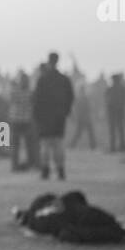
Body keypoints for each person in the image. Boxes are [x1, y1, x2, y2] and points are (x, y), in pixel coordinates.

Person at [32, 52, 74, 181]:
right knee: (59, 144)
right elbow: (70, 97)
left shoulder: (43, 79)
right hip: (59, 117)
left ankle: (45, 170)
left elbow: (36, 99)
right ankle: (60, 170)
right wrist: (66, 111)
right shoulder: (64, 79)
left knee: (45, 144)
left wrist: (37, 115)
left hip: (44, 117)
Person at [8, 71, 35, 170]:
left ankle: (14, 165)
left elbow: (10, 100)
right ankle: (29, 164)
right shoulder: (30, 92)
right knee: (28, 145)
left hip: (15, 120)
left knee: (15, 145)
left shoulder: (15, 92)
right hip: (27, 120)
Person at [106, 74, 125, 152]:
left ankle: (115, 147)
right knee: (119, 129)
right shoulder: (122, 89)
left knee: (116, 130)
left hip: (116, 112)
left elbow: (107, 100)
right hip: (118, 112)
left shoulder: (111, 89)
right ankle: (118, 147)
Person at [70, 84, 97, 150]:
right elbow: (88, 108)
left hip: (84, 118)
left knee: (81, 133)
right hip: (84, 118)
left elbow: (87, 108)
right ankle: (92, 145)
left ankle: (73, 145)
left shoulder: (81, 98)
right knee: (84, 133)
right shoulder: (83, 98)